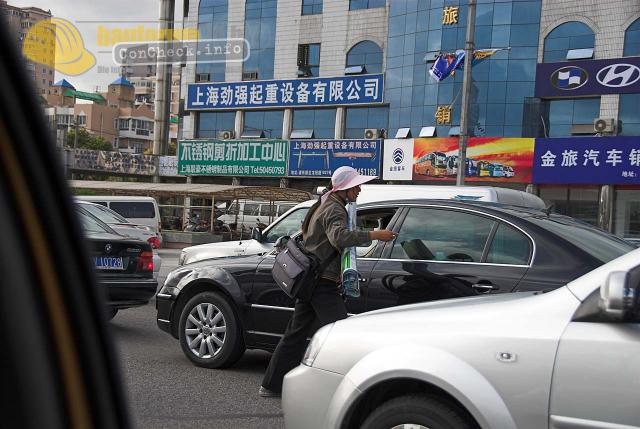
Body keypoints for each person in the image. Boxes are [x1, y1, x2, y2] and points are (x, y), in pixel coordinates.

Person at [259, 166, 397, 397]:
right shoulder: (334, 208)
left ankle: (270, 385)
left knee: (295, 334)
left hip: (312, 280)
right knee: (341, 333)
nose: (360, 190)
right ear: (346, 188)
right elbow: (340, 238)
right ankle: (354, 389)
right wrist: (375, 235)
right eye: (356, 186)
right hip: (321, 282)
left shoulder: (324, 202)